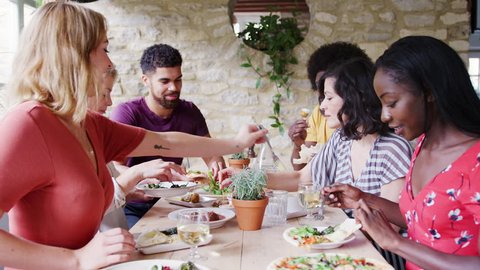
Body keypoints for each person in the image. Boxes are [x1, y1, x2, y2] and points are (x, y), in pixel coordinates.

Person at [0, 2, 266, 269]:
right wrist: (75, 259)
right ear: (73, 55)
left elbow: (167, 141)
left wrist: (237, 143)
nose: (110, 62)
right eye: (104, 49)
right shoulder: (28, 123)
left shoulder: (88, 124)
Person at [323, 36, 480, 270]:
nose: (384, 116)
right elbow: (420, 219)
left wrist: (395, 242)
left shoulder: (475, 162)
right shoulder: (424, 145)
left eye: (392, 102)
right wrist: (363, 198)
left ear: (429, 92)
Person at [221, 58, 412, 207]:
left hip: (375, 252)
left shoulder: (392, 148)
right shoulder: (342, 139)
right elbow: (301, 178)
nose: (322, 106)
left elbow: (390, 224)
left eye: (329, 98)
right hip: (345, 240)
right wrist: (244, 175)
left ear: (354, 98)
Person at [110, 43, 226, 228]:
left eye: (178, 80)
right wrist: (142, 177)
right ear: (146, 80)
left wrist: (217, 170)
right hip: (134, 207)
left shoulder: (190, 111)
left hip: (176, 203)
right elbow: (116, 168)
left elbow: (211, 153)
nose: (174, 87)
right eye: (165, 81)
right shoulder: (126, 114)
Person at [88, 68, 184, 231]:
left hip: (121, 243)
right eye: (104, 94)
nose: (110, 102)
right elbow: (88, 204)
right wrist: (136, 173)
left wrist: (134, 190)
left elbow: (110, 187)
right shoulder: (124, 114)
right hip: (103, 249)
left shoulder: (93, 134)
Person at [288, 42, 371, 171]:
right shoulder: (322, 117)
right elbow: (300, 170)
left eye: (329, 94)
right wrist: (299, 145)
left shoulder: (375, 141)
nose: (322, 101)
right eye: (318, 86)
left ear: (352, 91)